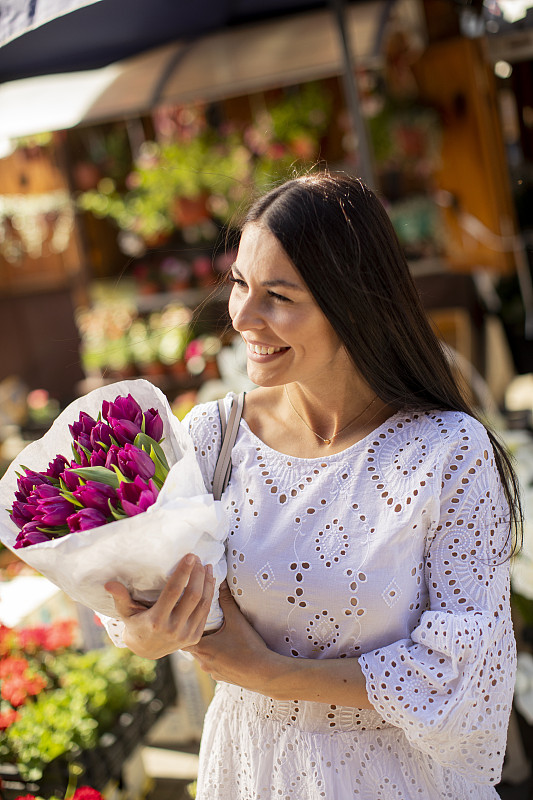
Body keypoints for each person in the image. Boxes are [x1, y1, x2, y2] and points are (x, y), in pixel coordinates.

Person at [105, 173, 522, 799]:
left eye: (279, 295)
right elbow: (134, 606)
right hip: (252, 773)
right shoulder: (213, 437)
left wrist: (269, 673)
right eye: (241, 282)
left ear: (353, 305)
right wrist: (146, 633)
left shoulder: (448, 452)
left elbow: (465, 672)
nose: (241, 314)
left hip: (396, 780)